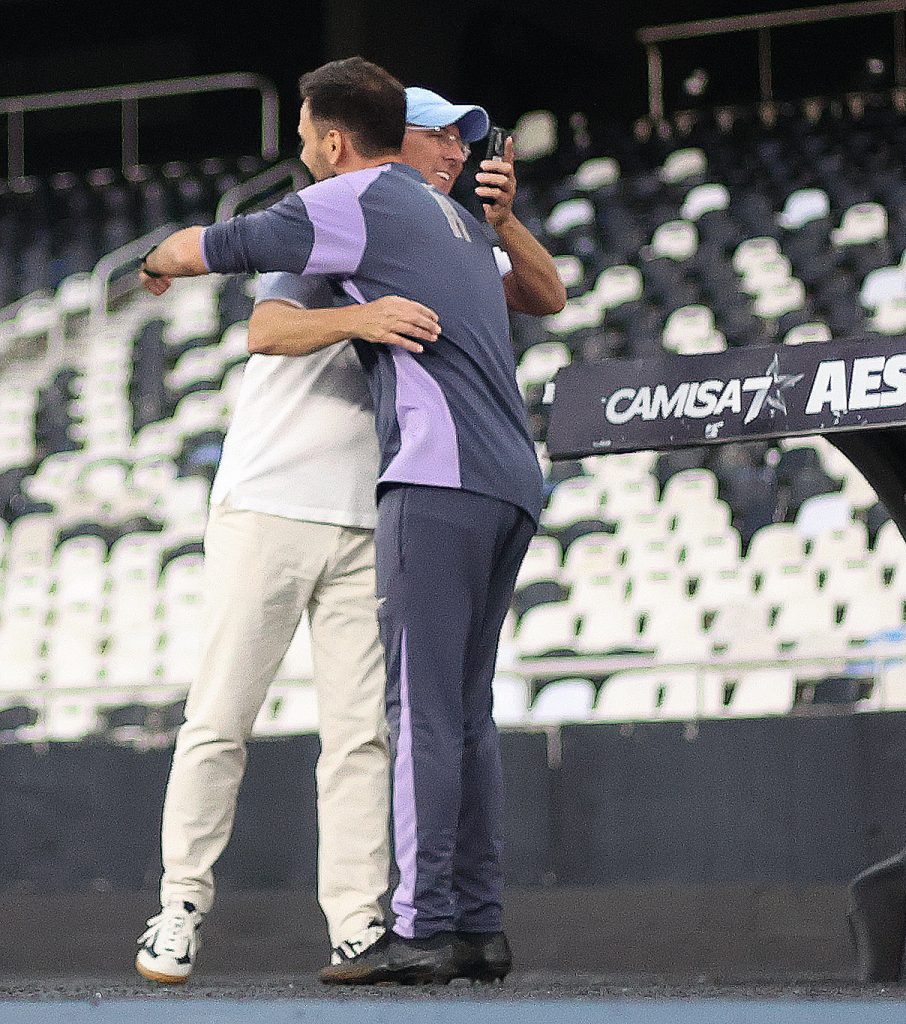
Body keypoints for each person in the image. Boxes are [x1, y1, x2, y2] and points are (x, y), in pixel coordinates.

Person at [133, 78, 562, 987]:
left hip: (371, 511)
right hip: (271, 500)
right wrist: (362, 318)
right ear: (392, 142)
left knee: (364, 737)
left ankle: (361, 924)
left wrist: (505, 221)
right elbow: (265, 327)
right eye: (440, 137)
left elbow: (542, 294)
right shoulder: (340, 215)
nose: (458, 154)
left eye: (464, 140)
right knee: (220, 718)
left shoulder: (440, 234)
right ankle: (180, 907)